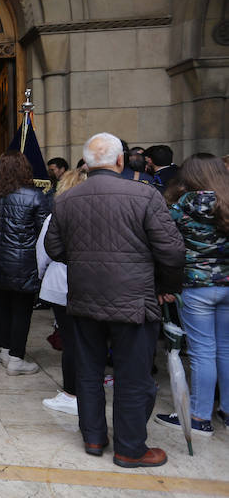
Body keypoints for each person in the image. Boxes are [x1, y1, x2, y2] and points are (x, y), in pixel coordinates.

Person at [45, 132, 184, 468]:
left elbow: (55, 249)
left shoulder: (66, 199)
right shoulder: (146, 195)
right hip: (134, 299)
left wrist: (85, 262)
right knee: (133, 375)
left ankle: (93, 437)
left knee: (89, 371)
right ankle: (130, 448)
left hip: (84, 298)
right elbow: (173, 250)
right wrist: (167, 285)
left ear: (87, 164)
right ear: (120, 160)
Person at [155, 153, 229, 434]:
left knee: (201, 353)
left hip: (197, 287)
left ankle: (199, 417)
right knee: (226, 349)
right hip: (227, 285)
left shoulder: (179, 206)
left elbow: (169, 248)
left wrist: (166, 284)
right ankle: (227, 410)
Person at [0, 151, 50, 375]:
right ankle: (16, 358)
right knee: (21, 311)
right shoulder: (35, 195)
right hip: (23, 264)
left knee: (1, 308)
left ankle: (6, 350)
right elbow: (44, 233)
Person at [38, 170, 88, 414]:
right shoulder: (99, 213)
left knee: (71, 341)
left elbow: (44, 252)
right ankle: (88, 386)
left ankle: (71, 394)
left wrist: (41, 276)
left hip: (63, 283)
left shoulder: (57, 215)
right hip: (95, 284)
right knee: (89, 339)